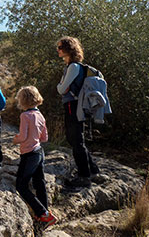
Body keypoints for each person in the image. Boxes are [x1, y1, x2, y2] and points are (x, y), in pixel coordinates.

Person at [56, 36, 100, 188]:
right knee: (74, 139)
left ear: (69, 49)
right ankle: (93, 170)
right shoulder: (73, 67)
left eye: (60, 47)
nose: (58, 50)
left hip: (73, 106)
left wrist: (60, 86)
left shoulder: (73, 67)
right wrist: (62, 86)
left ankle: (84, 176)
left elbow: (61, 89)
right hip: (75, 105)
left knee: (76, 140)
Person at [13, 86, 57, 228]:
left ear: (23, 100)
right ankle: (43, 215)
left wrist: (16, 139)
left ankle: (44, 214)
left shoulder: (25, 116)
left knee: (21, 185)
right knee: (40, 184)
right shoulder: (40, 115)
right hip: (39, 152)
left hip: (29, 154)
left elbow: (23, 136)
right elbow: (44, 138)